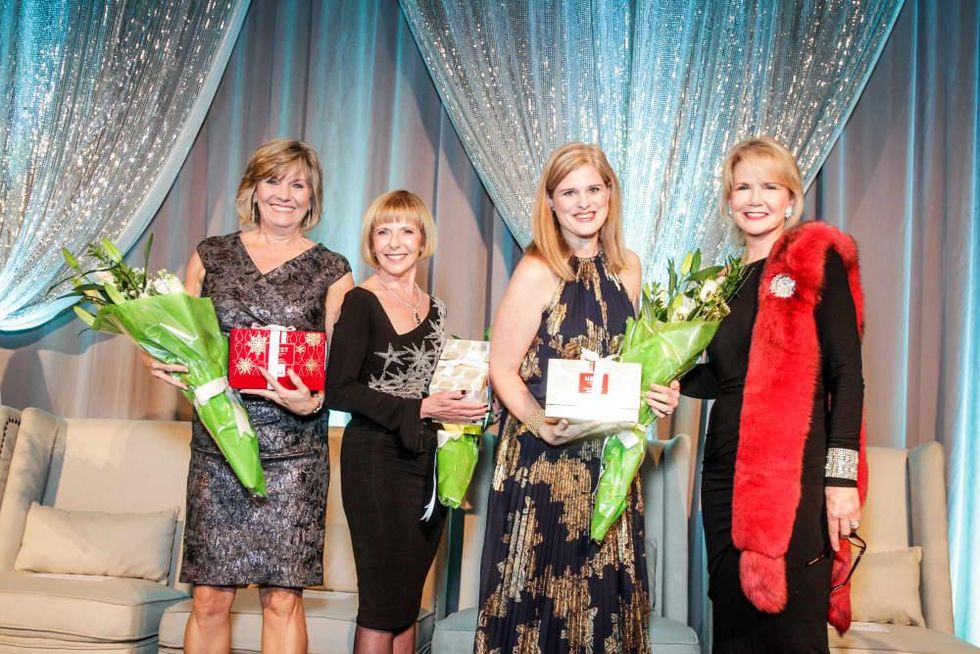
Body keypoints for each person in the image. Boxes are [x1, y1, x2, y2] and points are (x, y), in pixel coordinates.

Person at [144, 139, 354, 653]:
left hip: (296, 454)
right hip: (219, 446)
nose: (285, 194)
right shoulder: (210, 255)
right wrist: (154, 357)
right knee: (210, 597)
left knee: (283, 600)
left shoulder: (334, 269)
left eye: (298, 184)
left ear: (313, 198)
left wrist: (318, 400)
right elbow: (176, 334)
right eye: (273, 180)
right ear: (253, 189)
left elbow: (344, 367)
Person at [474, 142, 681, 653]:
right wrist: (539, 422)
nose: (583, 202)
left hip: (610, 465)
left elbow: (634, 360)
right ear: (550, 202)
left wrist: (660, 389)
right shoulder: (538, 269)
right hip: (542, 465)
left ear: (610, 194)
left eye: (593, 188)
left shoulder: (629, 267)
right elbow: (501, 368)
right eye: (569, 192)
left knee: (605, 607)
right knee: (542, 608)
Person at [681, 136, 866, 652]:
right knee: (734, 619)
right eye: (742, 187)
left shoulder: (813, 263)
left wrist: (840, 478)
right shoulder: (722, 284)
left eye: (769, 185)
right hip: (723, 470)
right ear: (728, 201)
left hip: (796, 475)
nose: (754, 198)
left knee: (791, 626)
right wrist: (670, 380)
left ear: (791, 198)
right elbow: (724, 376)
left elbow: (847, 373)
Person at [324, 190, 487, 654]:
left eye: (405, 231)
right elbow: (339, 390)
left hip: (427, 462)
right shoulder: (360, 301)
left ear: (422, 241)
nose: (394, 242)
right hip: (374, 461)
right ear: (371, 243)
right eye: (383, 231)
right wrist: (419, 408)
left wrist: (468, 405)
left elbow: (439, 384)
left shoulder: (436, 309)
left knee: (408, 600)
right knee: (380, 602)